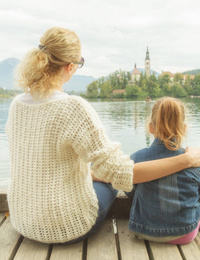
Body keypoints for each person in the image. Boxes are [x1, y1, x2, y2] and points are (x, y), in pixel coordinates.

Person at [5, 27, 200, 244]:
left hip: (23, 221)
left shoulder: (16, 104)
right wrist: (187, 159)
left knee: (97, 174)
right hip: (65, 227)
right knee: (110, 183)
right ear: (70, 66)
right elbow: (123, 174)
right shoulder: (72, 107)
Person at [127, 97, 200, 244]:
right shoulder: (194, 161)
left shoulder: (137, 158)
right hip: (185, 234)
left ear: (151, 127)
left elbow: (129, 189)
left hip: (144, 230)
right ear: (184, 128)